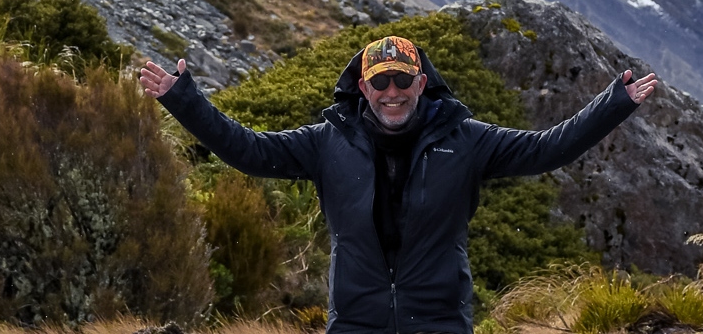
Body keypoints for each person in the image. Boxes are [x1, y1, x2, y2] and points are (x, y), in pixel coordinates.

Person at [140, 34, 657, 334]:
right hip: (355, 324)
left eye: (403, 81)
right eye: (381, 82)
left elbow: (549, 149)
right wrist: (183, 99)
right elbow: (247, 151)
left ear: (421, 83)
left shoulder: (467, 140)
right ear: (363, 87)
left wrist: (615, 103)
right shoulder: (327, 141)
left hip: (439, 323)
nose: (393, 92)